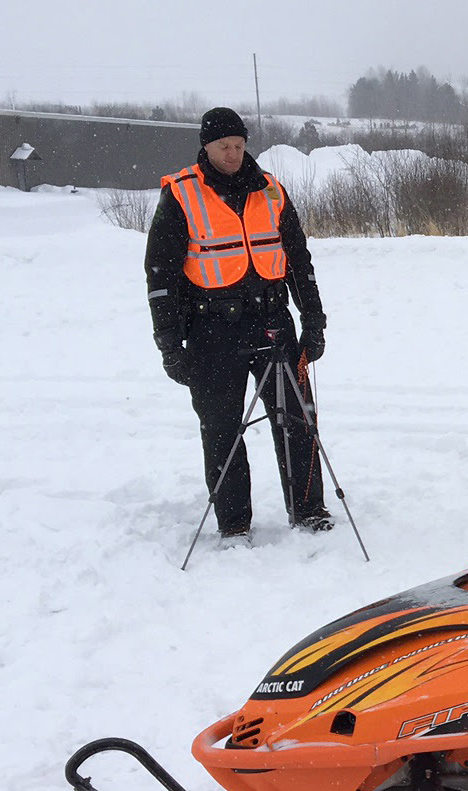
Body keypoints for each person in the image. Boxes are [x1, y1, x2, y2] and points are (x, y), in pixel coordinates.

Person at [146, 106, 332, 541]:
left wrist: (314, 320)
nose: (232, 154)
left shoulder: (271, 190)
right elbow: (161, 278)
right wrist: (170, 345)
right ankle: (234, 524)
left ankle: (309, 512)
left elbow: (298, 262)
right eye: (223, 146)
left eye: (238, 145)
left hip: (273, 324)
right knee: (222, 431)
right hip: (212, 332)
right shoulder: (181, 195)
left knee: (298, 421)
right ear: (205, 147)